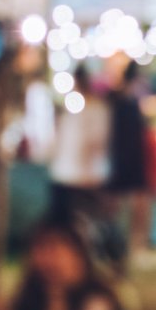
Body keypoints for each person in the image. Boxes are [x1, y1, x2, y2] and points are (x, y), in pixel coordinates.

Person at [4, 221, 127, 310]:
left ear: (79, 258)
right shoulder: (30, 299)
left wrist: (56, 306)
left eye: (54, 249)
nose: (47, 259)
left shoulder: (98, 303)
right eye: (41, 247)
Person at [49, 67, 112, 234]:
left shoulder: (95, 108)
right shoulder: (73, 108)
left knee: (87, 219)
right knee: (66, 222)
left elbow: (97, 141)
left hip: (85, 175)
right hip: (66, 173)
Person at [105, 62, 151, 273]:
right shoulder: (122, 101)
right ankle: (122, 247)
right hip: (123, 159)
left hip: (124, 158)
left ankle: (132, 247)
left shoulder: (122, 100)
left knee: (133, 205)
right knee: (125, 207)